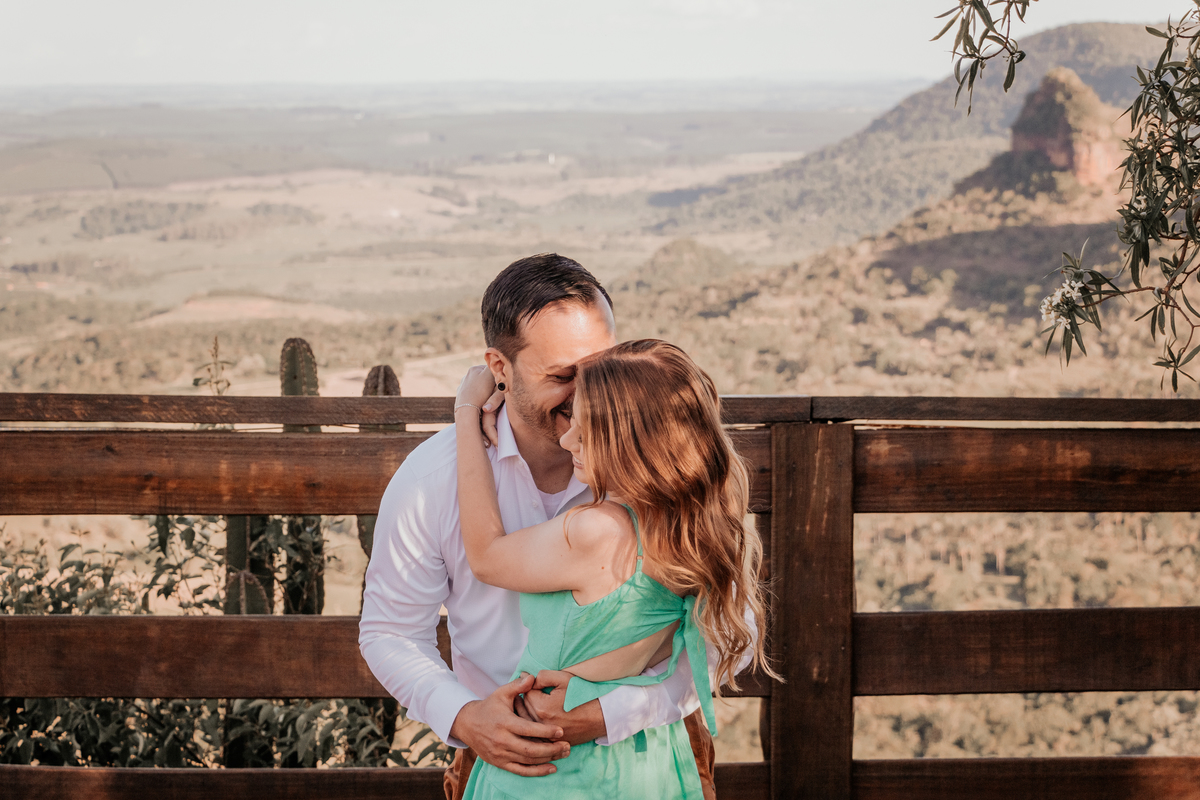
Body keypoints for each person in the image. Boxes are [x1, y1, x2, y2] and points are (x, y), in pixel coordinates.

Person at [359, 254, 755, 800]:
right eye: (563, 375)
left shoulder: (658, 467)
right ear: (500, 366)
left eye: (602, 366)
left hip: (656, 753)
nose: (589, 391)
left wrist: (611, 712)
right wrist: (468, 718)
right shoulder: (431, 481)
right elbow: (390, 632)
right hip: (508, 763)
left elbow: (734, 626)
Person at [451, 340, 774, 800]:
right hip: (654, 762)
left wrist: (467, 412)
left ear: (629, 444)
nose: (566, 441)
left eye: (583, 433)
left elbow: (484, 555)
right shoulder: (700, 528)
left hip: (557, 771)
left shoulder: (596, 531)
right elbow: (731, 644)